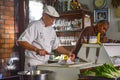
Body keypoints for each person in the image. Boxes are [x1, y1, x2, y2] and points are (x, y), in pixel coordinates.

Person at [17, 5, 75, 70]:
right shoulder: (35, 25)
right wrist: (37, 50)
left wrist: (68, 53)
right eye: (51, 17)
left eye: (54, 18)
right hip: (33, 63)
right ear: (44, 16)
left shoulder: (52, 30)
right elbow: (21, 41)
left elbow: (57, 46)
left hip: (45, 63)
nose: (53, 21)